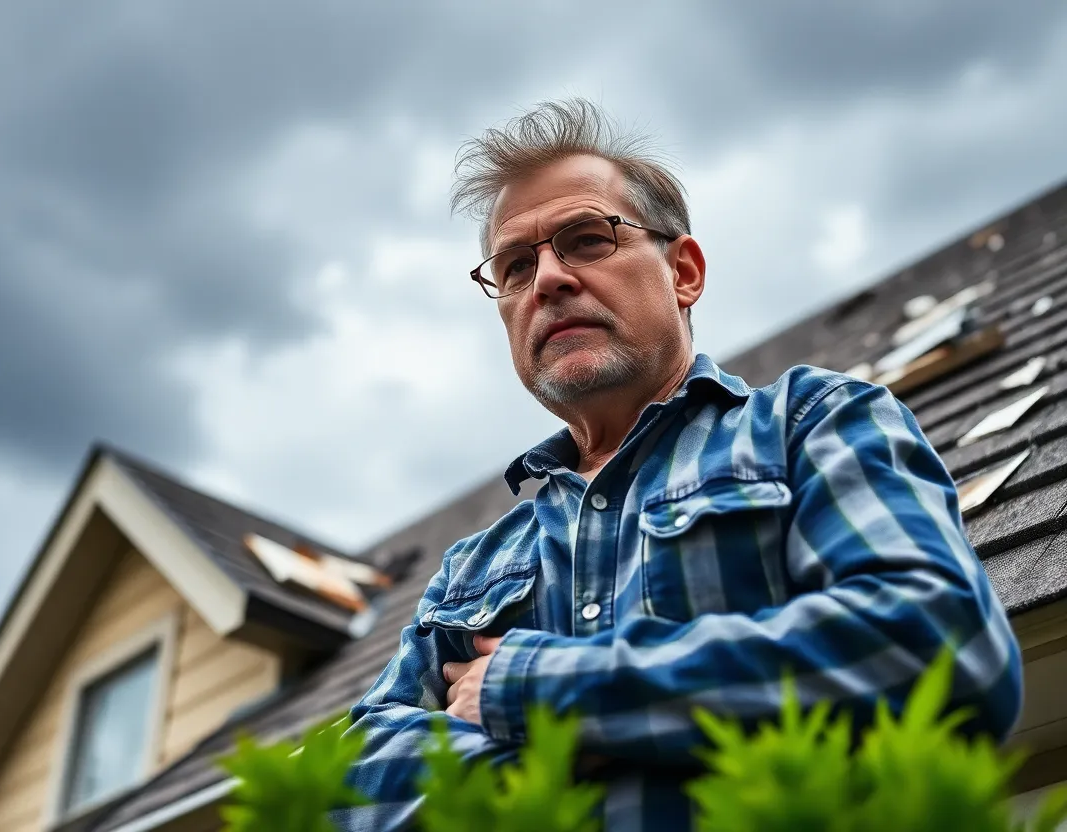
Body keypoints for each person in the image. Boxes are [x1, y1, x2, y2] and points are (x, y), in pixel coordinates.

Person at [332, 99, 1022, 831]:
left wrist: (543, 691)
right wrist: (567, 758)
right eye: (514, 266)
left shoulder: (812, 424)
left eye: (587, 239)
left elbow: (939, 643)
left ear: (684, 271)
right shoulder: (470, 570)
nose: (548, 281)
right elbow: (340, 786)